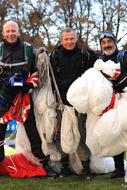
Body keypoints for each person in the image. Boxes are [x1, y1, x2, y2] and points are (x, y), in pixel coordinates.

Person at [0, 21, 58, 179]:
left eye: (13, 31)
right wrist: (1, 84)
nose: (11, 34)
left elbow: (36, 71)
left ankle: (44, 164)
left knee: (34, 132)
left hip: (23, 98)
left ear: (18, 31)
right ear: (3, 33)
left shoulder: (28, 49)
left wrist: (29, 85)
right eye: (8, 31)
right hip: (3, 98)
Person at [49, 28, 96, 179]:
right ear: (61, 41)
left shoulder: (86, 56)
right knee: (62, 133)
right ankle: (64, 166)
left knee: (82, 133)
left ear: (76, 39)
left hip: (79, 103)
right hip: (61, 103)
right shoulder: (54, 56)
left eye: (72, 39)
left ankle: (86, 167)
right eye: (66, 39)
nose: (69, 42)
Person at [99, 31, 127, 179]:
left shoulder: (126, 57)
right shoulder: (100, 60)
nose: (106, 45)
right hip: (109, 103)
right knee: (114, 134)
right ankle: (119, 170)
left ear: (114, 42)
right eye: (103, 42)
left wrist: (115, 85)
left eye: (109, 41)